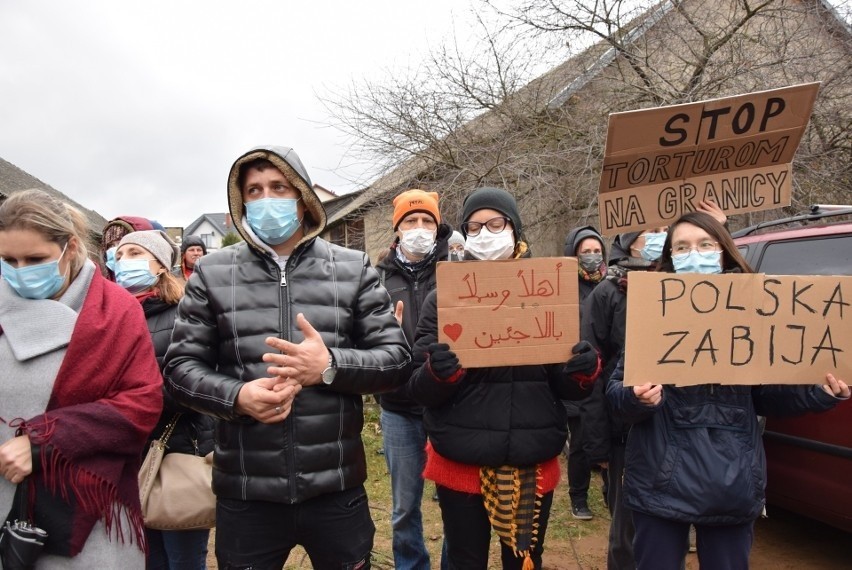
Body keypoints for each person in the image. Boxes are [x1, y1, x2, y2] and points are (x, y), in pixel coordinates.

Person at [163, 145, 411, 569]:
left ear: (302, 198)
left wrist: (329, 365)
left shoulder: (352, 268)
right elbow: (180, 369)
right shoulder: (212, 273)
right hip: (246, 495)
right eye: (254, 190)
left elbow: (396, 360)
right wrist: (237, 397)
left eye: (278, 187)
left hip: (335, 489)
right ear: (241, 203)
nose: (267, 199)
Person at [606, 211, 850, 570]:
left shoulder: (756, 310)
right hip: (661, 478)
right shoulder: (652, 312)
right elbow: (615, 395)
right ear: (671, 257)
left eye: (705, 244)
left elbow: (766, 396)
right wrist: (637, 398)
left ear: (724, 251)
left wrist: (821, 394)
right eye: (683, 247)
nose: (696, 254)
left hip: (732, 482)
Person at [408, 186, 600, 569]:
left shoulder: (548, 290)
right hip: (462, 462)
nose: (485, 233)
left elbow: (565, 383)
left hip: (531, 459)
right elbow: (417, 387)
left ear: (514, 228)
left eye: (495, 223)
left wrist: (583, 370)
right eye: (474, 227)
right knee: (465, 560)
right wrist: (438, 374)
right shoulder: (443, 297)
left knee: (526, 559)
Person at [0, 189, 162, 568]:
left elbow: (142, 402)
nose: (21, 271)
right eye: (9, 260)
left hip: (89, 511)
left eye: (35, 259)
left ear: (70, 247)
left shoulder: (114, 310)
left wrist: (43, 442)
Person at [580, 200, 724, 569]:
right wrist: (598, 441)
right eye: (651, 232)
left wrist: (715, 228)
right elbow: (594, 372)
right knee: (629, 535)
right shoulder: (608, 294)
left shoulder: (702, 287)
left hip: (701, 436)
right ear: (629, 242)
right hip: (632, 431)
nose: (659, 239)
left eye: (666, 232)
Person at [114, 230, 215, 570]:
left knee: (183, 556)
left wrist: (130, 398)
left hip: (178, 449)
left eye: (133, 253)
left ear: (160, 265)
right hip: (128, 454)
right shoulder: (110, 316)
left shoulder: (183, 312)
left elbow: (197, 383)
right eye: (118, 256)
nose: (122, 261)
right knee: (146, 556)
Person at [375, 189, 451, 570]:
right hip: (399, 408)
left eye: (427, 221)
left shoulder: (458, 272)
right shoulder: (375, 280)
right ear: (397, 228)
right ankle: (411, 564)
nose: (419, 228)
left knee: (457, 504)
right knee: (405, 505)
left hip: (450, 405)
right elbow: (362, 341)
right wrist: (380, 334)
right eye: (410, 221)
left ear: (438, 228)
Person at [561, 225, 608, 521]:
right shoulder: (564, 286)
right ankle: (578, 497)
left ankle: (609, 490)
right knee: (579, 442)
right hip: (578, 373)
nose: (591, 256)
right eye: (585, 252)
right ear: (574, 255)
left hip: (607, 373)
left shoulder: (613, 283)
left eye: (596, 251)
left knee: (608, 436)